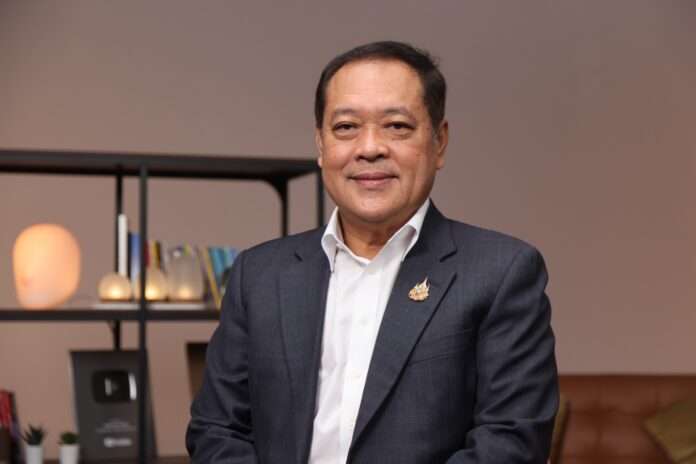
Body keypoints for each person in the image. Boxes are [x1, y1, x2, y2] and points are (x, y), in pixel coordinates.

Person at [186, 40, 558, 464]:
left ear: (439, 142)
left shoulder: (501, 272)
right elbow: (217, 431)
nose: (369, 147)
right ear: (321, 144)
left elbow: (510, 443)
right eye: (346, 127)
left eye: (396, 126)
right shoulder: (260, 275)